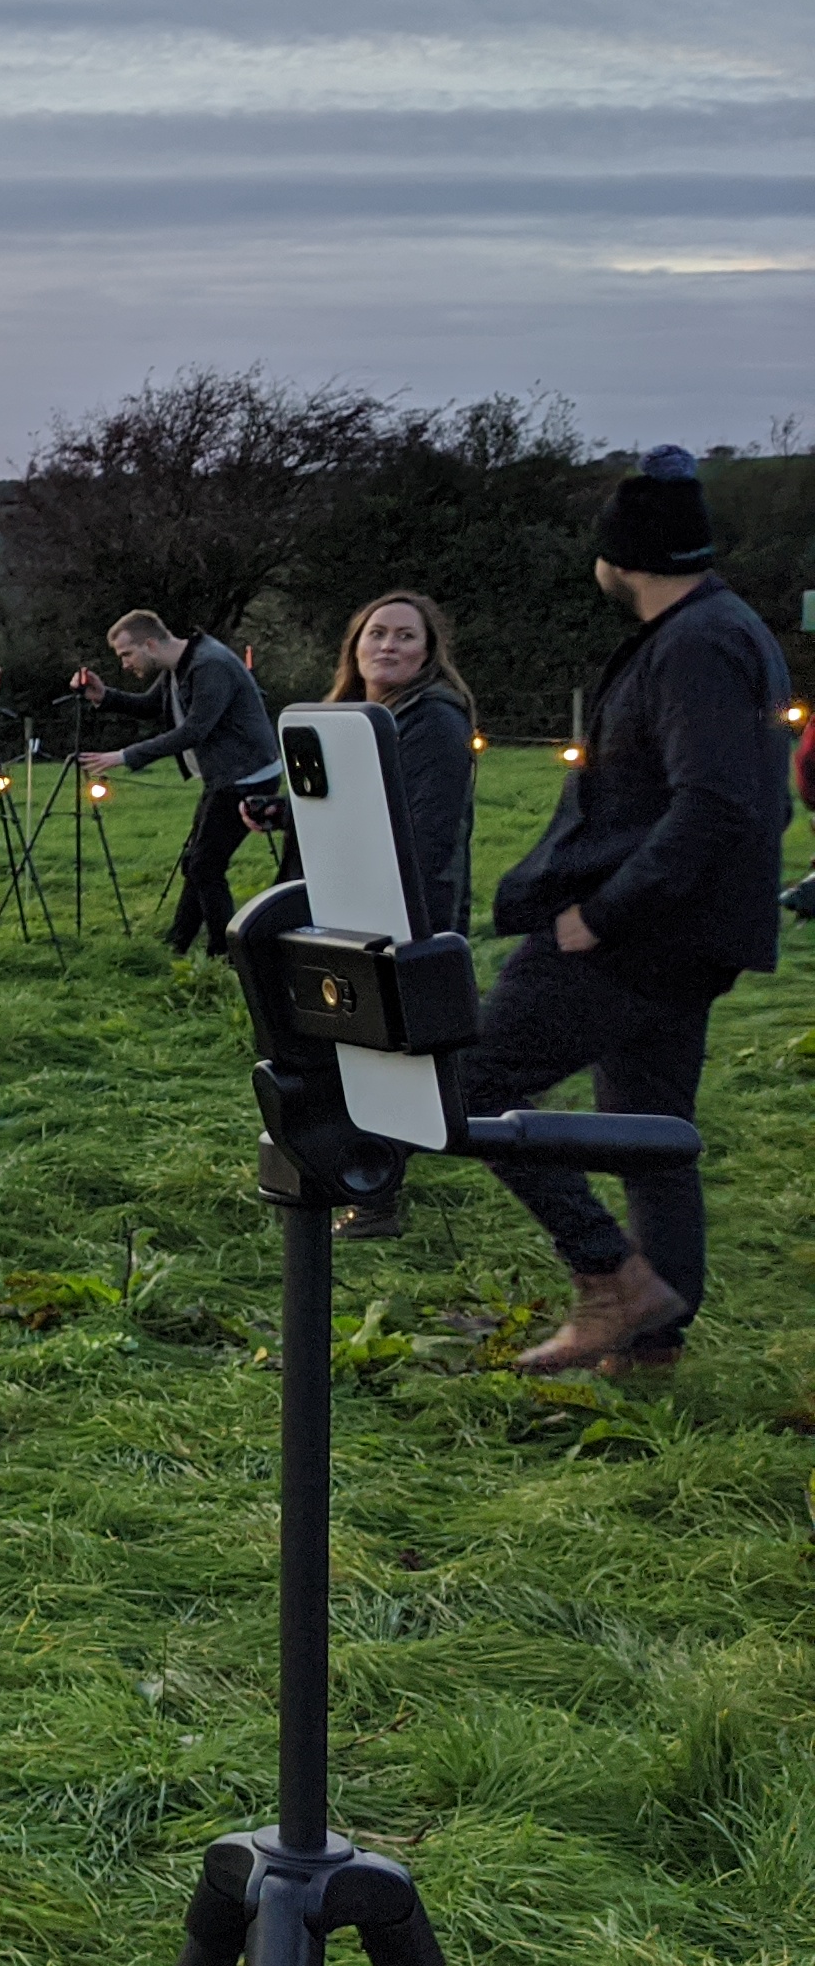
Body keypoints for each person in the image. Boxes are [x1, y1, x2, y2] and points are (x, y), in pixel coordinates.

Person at [468, 447, 791, 1372]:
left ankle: (611, 1282)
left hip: (639, 934)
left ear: (624, 555)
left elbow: (720, 804)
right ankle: (652, 1343)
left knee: (472, 1084)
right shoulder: (725, 630)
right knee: (649, 1128)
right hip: (688, 934)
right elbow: (761, 799)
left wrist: (602, 913)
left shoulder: (695, 644)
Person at [322, 589, 478, 1240]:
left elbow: (426, 831)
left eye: (405, 636)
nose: (388, 645)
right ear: (355, 647)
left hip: (405, 909)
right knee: (361, 1045)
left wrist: (398, 916)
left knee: (391, 1051)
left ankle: (375, 1196)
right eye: (376, 633)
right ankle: (361, 1172)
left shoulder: (432, 718)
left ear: (429, 652)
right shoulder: (358, 715)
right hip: (354, 900)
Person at [72, 612, 278, 954]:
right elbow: (152, 706)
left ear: (150, 644)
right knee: (197, 861)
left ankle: (224, 953)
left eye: (127, 654)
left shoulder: (209, 665)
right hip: (224, 778)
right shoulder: (178, 665)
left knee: (205, 866)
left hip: (246, 778)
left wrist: (124, 756)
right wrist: (103, 696)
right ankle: (179, 941)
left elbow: (195, 730)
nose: (124, 664)